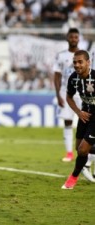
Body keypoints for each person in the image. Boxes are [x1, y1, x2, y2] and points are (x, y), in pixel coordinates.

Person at [61, 50, 95, 189]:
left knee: (82, 150)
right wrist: (78, 112)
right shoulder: (73, 78)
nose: (77, 65)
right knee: (79, 149)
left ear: (88, 62)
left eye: (80, 62)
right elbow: (69, 97)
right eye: (75, 62)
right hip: (84, 113)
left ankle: (73, 178)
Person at [53, 28, 81, 163]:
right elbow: (57, 76)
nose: (73, 39)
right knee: (68, 122)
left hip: (82, 93)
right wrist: (58, 95)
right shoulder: (61, 55)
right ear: (67, 38)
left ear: (79, 38)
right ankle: (69, 153)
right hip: (66, 92)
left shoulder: (85, 55)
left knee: (87, 121)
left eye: (76, 37)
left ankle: (85, 151)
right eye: (71, 37)